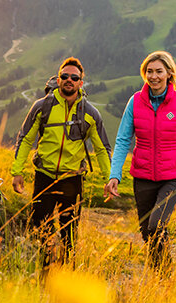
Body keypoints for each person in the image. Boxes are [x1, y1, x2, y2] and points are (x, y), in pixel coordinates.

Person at [104, 50, 176, 268]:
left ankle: (165, 274)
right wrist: (115, 175)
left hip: (173, 177)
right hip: (142, 176)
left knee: (156, 225)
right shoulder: (135, 102)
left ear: (169, 74)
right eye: (149, 71)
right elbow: (123, 140)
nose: (154, 76)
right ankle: (161, 277)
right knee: (147, 231)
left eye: (159, 71)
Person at [11, 57, 111, 268]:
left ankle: (67, 273)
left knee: (69, 231)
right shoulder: (42, 106)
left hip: (72, 179)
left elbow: (102, 148)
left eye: (74, 77)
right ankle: (44, 268)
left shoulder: (91, 114)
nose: (69, 80)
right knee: (40, 228)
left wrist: (109, 179)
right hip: (44, 176)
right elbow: (26, 138)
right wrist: (17, 171)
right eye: (65, 76)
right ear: (58, 79)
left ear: (80, 83)